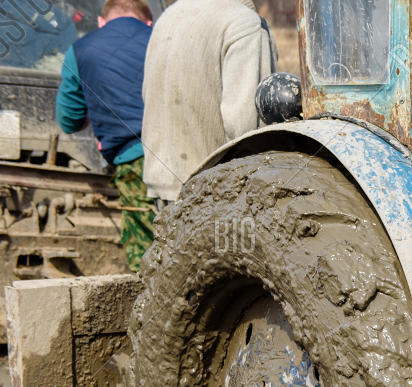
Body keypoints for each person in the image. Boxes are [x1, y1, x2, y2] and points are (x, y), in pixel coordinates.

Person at [142, 0, 277, 206]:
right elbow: (246, 126)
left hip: (163, 181)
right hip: (215, 192)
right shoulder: (244, 24)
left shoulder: (169, 16)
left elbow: (148, 95)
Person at [54, 0, 155, 271]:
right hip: (190, 152)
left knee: (145, 251)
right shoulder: (163, 39)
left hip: (135, 160)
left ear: (100, 22)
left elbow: (69, 119)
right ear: (149, 22)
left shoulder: (80, 50)